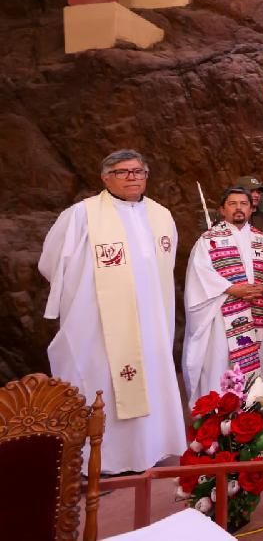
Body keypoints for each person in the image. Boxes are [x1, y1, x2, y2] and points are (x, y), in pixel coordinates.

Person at [38, 149, 186, 473]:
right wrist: (84, 294)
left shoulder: (162, 216)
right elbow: (51, 263)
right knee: (102, 381)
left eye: (138, 171)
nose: (132, 177)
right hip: (99, 324)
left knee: (150, 377)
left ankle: (150, 449)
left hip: (151, 322)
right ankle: (102, 460)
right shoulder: (81, 216)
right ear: (105, 178)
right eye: (122, 172)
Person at [182, 187, 263, 406]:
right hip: (223, 310)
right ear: (222, 209)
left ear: (251, 208)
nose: (239, 208)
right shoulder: (209, 240)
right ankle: (220, 408)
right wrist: (231, 289)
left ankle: (252, 408)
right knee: (221, 359)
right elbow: (201, 271)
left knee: (257, 357)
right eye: (233, 204)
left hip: (257, 307)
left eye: (243, 204)